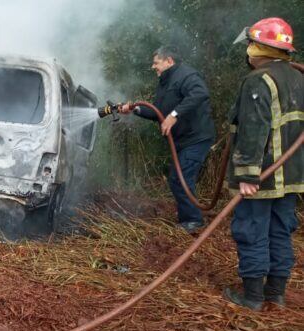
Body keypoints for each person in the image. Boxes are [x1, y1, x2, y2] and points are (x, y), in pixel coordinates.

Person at [222, 17, 303, 311]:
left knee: (252, 228)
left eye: (250, 46)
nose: (248, 52)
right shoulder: (297, 79)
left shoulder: (259, 80)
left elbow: (253, 128)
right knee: (280, 230)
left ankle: (253, 297)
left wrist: (247, 173)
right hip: (292, 174)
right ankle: (276, 294)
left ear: (259, 48)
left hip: (263, 175)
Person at [120, 46, 216, 234]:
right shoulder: (165, 83)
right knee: (177, 178)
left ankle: (193, 222)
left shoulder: (186, 75)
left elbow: (200, 93)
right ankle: (188, 219)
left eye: (156, 62)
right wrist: (135, 109)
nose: (153, 66)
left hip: (196, 138)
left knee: (181, 178)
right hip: (182, 141)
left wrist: (174, 115)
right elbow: (158, 112)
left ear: (169, 61)